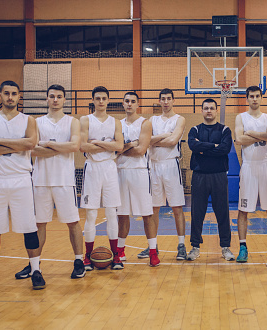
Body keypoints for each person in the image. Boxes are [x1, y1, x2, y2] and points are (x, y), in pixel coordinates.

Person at [0, 80, 45, 292]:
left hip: (21, 179)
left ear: (19, 96)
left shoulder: (28, 120)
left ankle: (35, 271)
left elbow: (30, 144)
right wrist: (16, 144)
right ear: (0, 95)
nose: (10, 97)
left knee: (29, 228)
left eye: (14, 93)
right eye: (6, 93)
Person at [14, 84, 85, 280]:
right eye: (52, 96)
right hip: (40, 181)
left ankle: (79, 261)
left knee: (73, 222)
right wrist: (60, 148)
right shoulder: (36, 122)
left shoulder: (72, 122)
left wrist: (50, 144)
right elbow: (32, 150)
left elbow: (75, 146)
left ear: (64, 100)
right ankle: (33, 265)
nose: (55, 99)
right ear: (47, 99)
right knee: (38, 224)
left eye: (59, 96)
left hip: (64, 181)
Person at [234, 86, 267, 263]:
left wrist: (252, 134)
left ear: (261, 98)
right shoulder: (240, 117)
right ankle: (242, 247)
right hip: (248, 166)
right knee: (243, 209)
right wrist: (263, 136)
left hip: (266, 165)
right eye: (251, 96)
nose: (254, 99)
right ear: (247, 99)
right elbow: (239, 139)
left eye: (257, 96)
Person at [137, 88, 187, 260]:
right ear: (159, 101)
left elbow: (174, 141)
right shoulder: (152, 120)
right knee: (153, 209)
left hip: (171, 165)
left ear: (174, 100)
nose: (166, 101)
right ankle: (153, 246)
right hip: (153, 166)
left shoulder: (180, 119)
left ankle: (181, 245)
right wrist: (165, 136)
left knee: (177, 207)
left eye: (168, 99)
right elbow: (146, 141)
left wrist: (156, 140)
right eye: (163, 99)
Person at [80, 86, 124, 271]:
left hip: (109, 168)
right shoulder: (85, 120)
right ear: (93, 100)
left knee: (111, 213)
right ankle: (88, 257)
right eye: (97, 98)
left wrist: (96, 142)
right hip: (92, 168)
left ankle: (116, 257)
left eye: (103, 98)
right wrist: (109, 145)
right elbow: (82, 146)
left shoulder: (115, 122)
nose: (100, 101)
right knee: (91, 214)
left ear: (108, 100)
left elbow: (120, 146)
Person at [186, 98, 235, 261]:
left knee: (222, 212)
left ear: (216, 111)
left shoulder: (225, 130)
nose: (209, 111)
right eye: (206, 108)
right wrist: (214, 146)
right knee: (197, 212)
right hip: (199, 176)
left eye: (212, 108)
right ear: (201, 110)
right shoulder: (194, 129)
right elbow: (193, 146)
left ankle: (226, 247)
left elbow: (225, 149)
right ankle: (194, 247)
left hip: (219, 175)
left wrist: (204, 148)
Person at [116, 92, 158, 266]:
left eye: (133, 101)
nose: (129, 104)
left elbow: (141, 150)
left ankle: (153, 252)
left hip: (140, 172)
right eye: (127, 101)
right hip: (120, 171)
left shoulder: (145, 123)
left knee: (147, 214)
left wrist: (122, 149)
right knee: (122, 214)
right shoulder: (116, 124)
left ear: (138, 104)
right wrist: (129, 145)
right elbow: (115, 149)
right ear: (123, 104)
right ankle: (120, 250)